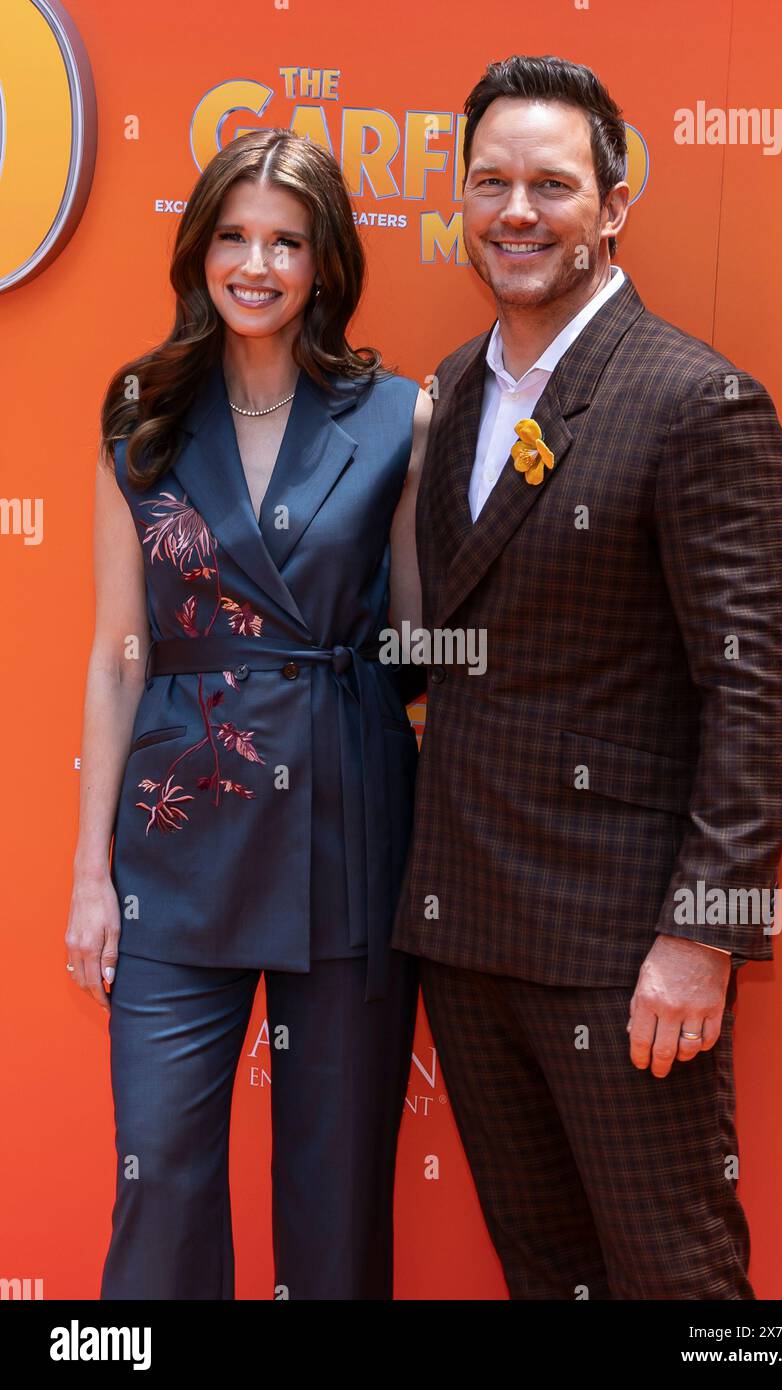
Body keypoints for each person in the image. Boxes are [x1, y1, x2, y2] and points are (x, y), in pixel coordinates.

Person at [392, 56, 782, 1299]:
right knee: (548, 1276)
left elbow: (755, 687)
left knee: (677, 1281)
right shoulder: (454, 392)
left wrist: (704, 935)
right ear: (459, 204)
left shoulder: (696, 400)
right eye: (489, 184)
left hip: (622, 947)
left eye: (551, 185)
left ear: (614, 204)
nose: (515, 211)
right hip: (464, 934)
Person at [66, 128, 431, 1300]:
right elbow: (120, 656)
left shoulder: (397, 418)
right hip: (176, 836)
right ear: (198, 248)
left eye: (285, 239)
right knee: (160, 1169)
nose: (256, 263)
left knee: (335, 1191)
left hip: (346, 821)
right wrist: (88, 872)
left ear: (325, 259)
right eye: (232, 235)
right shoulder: (141, 415)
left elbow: (418, 646)